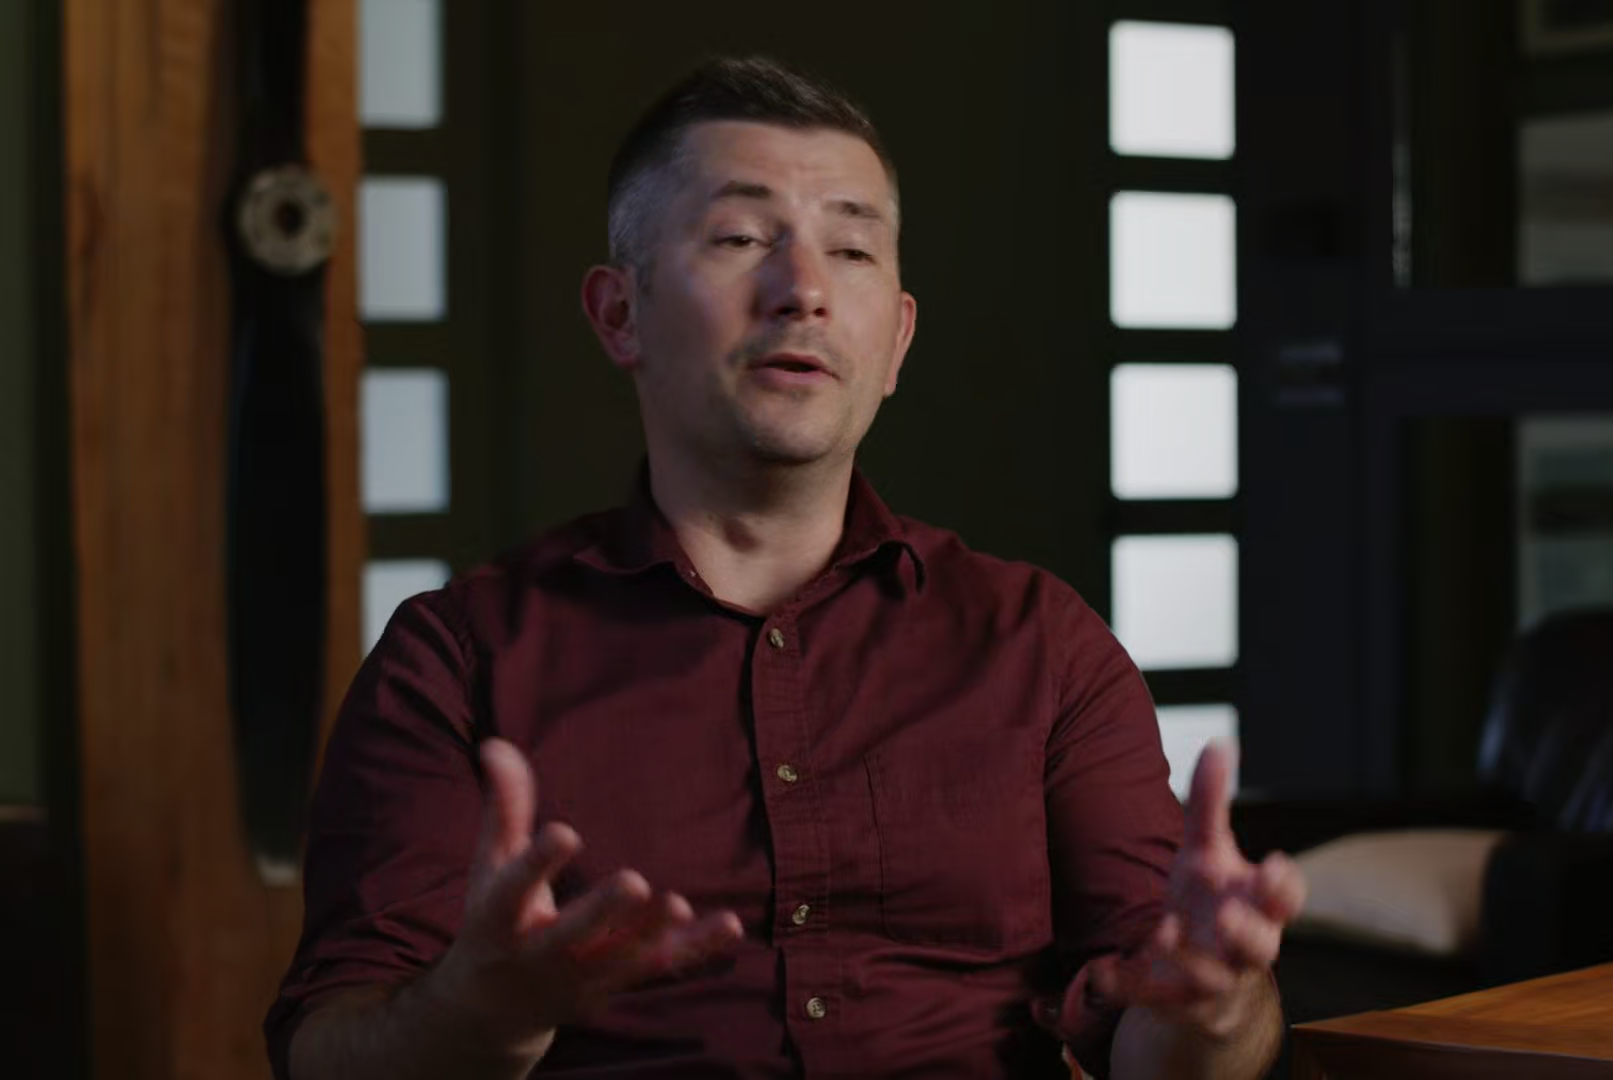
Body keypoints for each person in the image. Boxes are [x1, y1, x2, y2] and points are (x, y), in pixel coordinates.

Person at [267, 56, 1304, 1080]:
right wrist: (478, 1012)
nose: (803, 290)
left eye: (851, 249)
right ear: (619, 313)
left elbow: (1161, 1046)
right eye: (740, 238)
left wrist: (1219, 1006)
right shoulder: (458, 660)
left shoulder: (1041, 643)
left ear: (896, 342)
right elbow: (328, 1051)